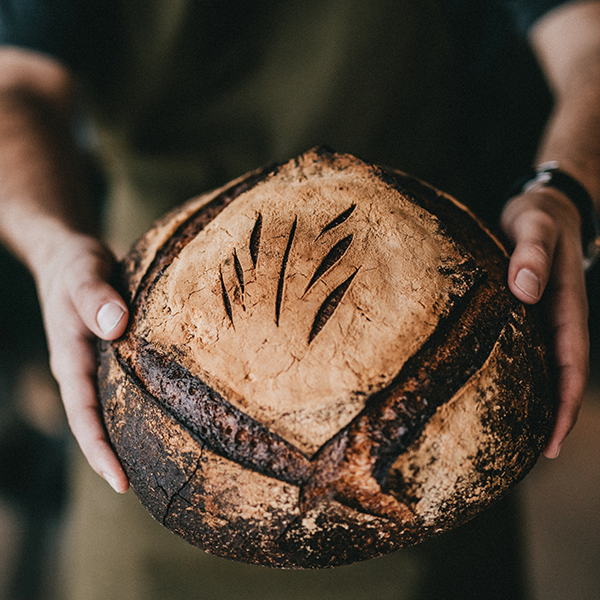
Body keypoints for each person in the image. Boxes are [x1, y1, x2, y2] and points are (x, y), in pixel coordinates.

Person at [0, 1, 598, 598]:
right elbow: (15, 86)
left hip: (425, 309)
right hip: (155, 401)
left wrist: (567, 188)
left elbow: (588, 40)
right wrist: (56, 251)